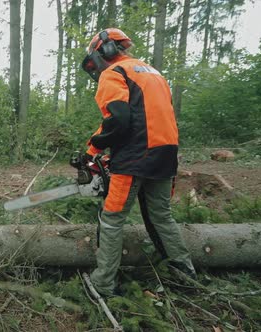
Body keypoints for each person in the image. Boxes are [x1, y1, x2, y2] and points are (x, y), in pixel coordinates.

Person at [80, 28, 196, 296]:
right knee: (161, 217)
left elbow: (119, 120)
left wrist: (93, 149)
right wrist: (98, 148)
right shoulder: (152, 73)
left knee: (111, 219)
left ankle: (102, 284)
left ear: (104, 51)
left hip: (135, 156)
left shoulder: (114, 73)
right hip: (166, 153)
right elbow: (145, 117)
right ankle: (186, 277)